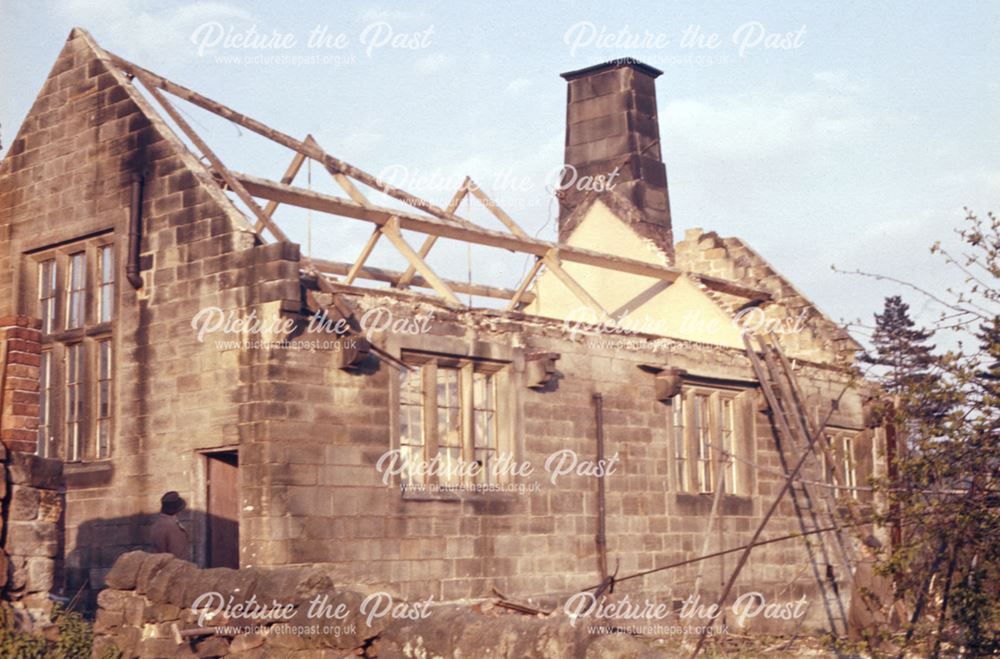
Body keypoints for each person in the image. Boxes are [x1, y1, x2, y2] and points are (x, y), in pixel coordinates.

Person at [150, 491, 189, 560]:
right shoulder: (172, 527)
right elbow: (179, 555)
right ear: (178, 511)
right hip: (173, 568)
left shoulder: (157, 524)